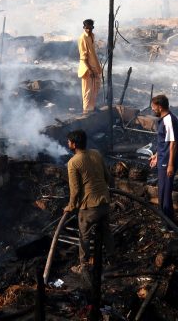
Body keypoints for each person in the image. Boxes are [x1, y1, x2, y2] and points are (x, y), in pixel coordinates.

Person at [64, 129, 114, 273]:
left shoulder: (73, 163)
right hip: (104, 202)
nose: (68, 143)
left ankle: (84, 265)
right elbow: (108, 177)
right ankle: (113, 260)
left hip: (90, 207)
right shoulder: (96, 153)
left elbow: (75, 190)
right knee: (106, 232)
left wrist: (71, 206)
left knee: (84, 235)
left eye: (69, 141)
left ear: (73, 144)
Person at [149, 94, 178, 219]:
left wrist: (171, 165)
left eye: (153, 107)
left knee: (165, 193)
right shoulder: (164, 119)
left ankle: (168, 224)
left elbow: (173, 143)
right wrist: (156, 155)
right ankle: (166, 220)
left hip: (167, 162)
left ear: (160, 107)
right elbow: (164, 142)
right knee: (162, 192)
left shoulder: (169, 120)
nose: (152, 109)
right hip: (163, 159)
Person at [77, 19, 101, 114]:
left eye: (91, 28)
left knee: (95, 88)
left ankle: (91, 108)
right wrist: (90, 69)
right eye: (87, 28)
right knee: (87, 90)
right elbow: (83, 57)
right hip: (87, 68)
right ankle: (86, 110)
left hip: (94, 66)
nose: (89, 30)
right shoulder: (82, 38)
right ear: (84, 27)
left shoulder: (92, 36)